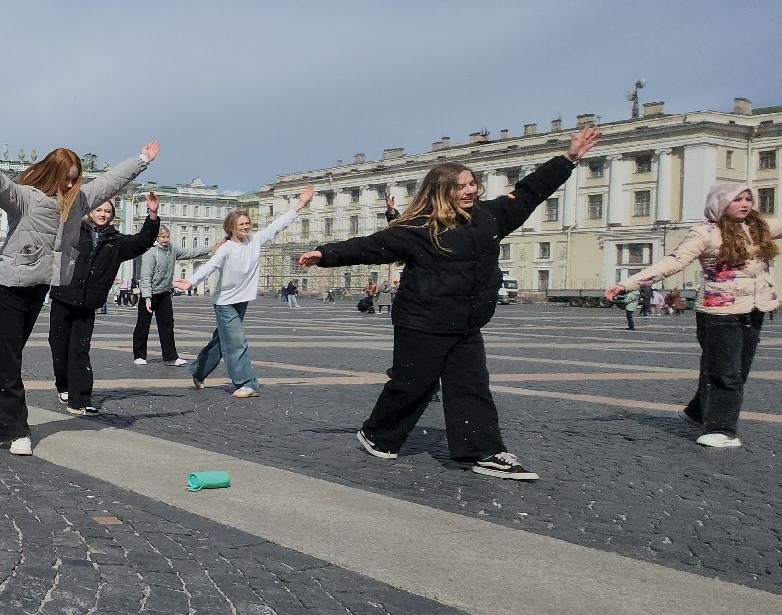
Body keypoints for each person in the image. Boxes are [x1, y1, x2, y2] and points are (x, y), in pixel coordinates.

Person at [298, 124, 601, 479]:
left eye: (472, 183)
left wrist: (568, 159)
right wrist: (325, 253)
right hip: (422, 322)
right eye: (461, 186)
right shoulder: (416, 229)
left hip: (466, 322)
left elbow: (531, 191)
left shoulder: (491, 217)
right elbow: (371, 246)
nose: (470, 190)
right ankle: (378, 434)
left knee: (472, 386)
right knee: (412, 385)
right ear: (441, 191)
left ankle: (484, 451)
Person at [0, 124, 159, 456]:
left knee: (2, 353)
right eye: (67, 177)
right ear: (54, 172)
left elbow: (110, 181)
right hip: (10, 286)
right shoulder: (26, 198)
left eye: (76, 178)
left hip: (39, 287)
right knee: (9, 358)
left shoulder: (78, 202)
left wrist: (141, 160)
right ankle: (14, 430)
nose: (72, 183)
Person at [606, 182, 776, 448]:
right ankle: (719, 429)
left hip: (754, 310)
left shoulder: (759, 228)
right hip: (719, 312)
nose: (745, 204)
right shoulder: (705, 232)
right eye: (737, 200)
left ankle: (696, 413)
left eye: (748, 199)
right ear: (720, 203)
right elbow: (673, 261)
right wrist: (627, 284)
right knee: (725, 372)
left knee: (736, 371)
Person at [177, 188, 314, 399]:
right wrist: (191, 281)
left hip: (242, 300)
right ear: (231, 228)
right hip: (225, 302)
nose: (246, 227)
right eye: (241, 224)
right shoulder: (226, 248)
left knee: (222, 340)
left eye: (247, 223)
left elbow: (278, 225)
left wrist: (300, 204)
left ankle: (198, 371)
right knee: (236, 341)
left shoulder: (255, 241)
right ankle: (246, 383)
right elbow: (210, 266)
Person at [50, 194, 160, 414]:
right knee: (58, 346)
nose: (102, 214)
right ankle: (63, 385)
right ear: (91, 212)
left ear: (112, 217)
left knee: (80, 349)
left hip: (87, 303)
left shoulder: (116, 242)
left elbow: (143, 242)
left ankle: (80, 399)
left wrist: (153, 215)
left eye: (107, 212)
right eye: (99, 210)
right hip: (63, 295)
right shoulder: (74, 230)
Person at [132, 225, 205, 366]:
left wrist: (212, 249)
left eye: (167, 237)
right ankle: (139, 356)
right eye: (162, 237)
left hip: (164, 292)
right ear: (156, 238)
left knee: (167, 324)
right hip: (150, 293)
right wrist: (147, 297)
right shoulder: (150, 252)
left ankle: (170, 357)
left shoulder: (172, 249)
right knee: (143, 325)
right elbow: (146, 276)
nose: (165, 240)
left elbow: (189, 252)